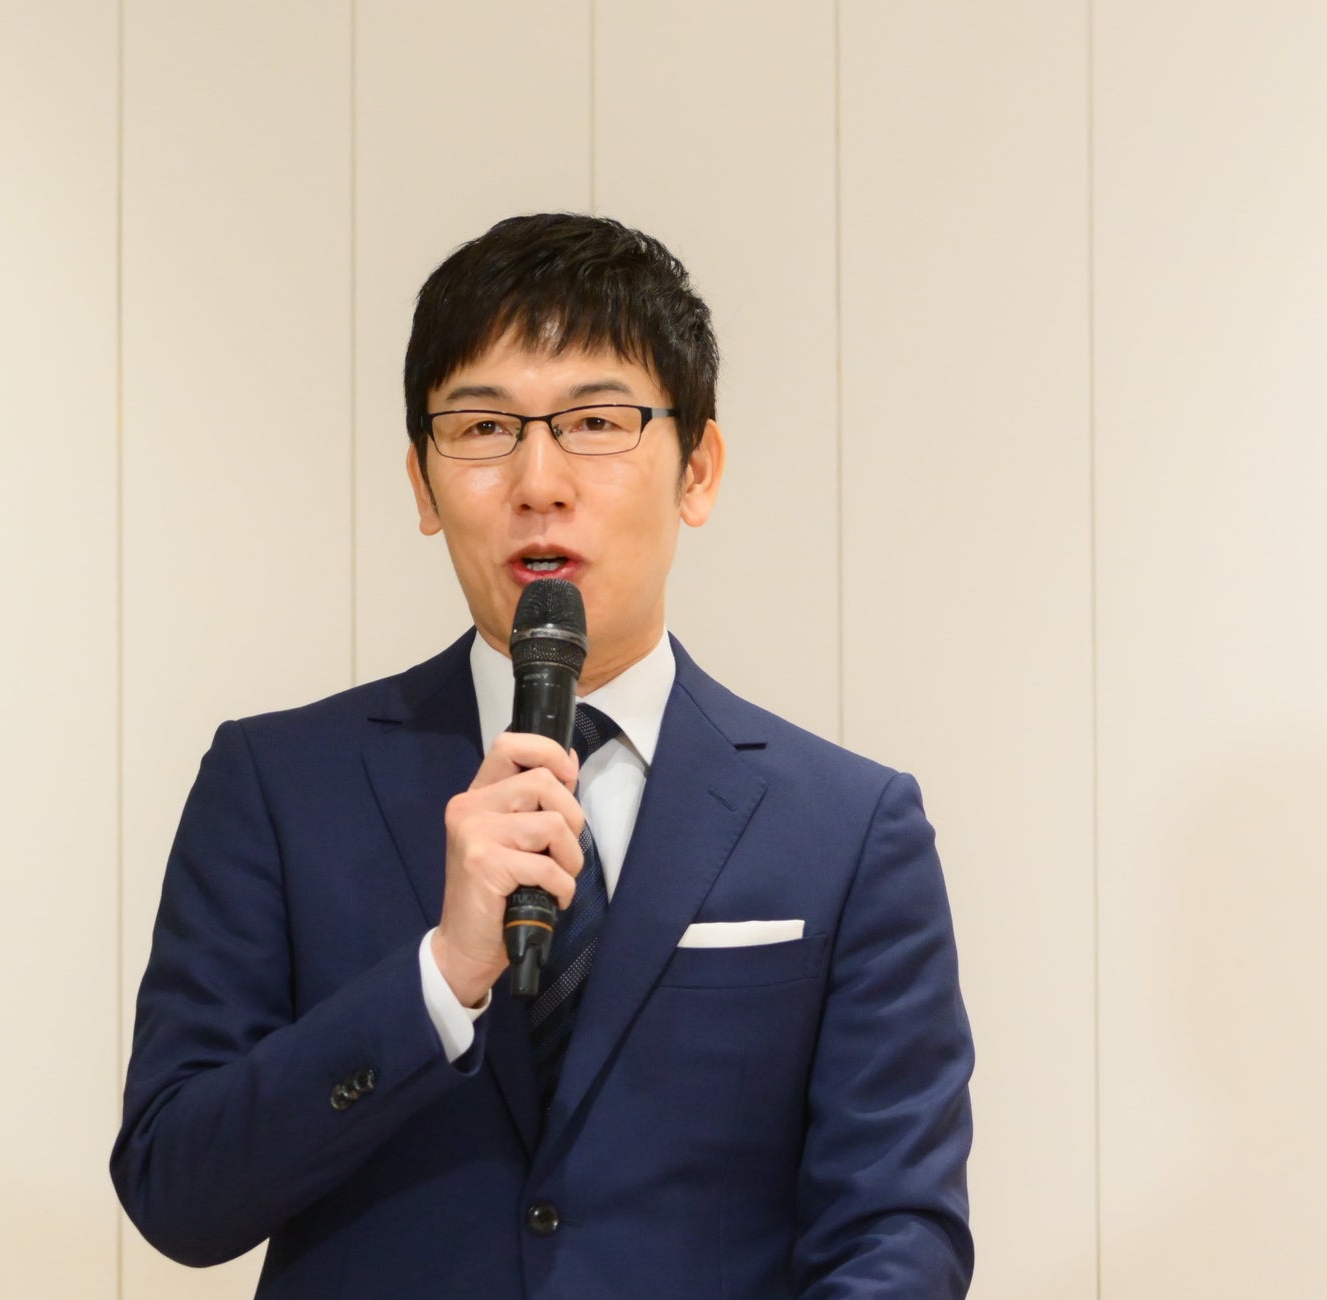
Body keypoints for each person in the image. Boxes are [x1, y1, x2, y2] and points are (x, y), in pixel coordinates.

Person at [111, 214, 974, 1297]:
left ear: (698, 470)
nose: (538, 480)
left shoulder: (847, 828)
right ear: (423, 484)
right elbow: (177, 1190)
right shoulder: (277, 787)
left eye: (597, 422)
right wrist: (438, 980)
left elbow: (896, 1230)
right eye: (483, 427)